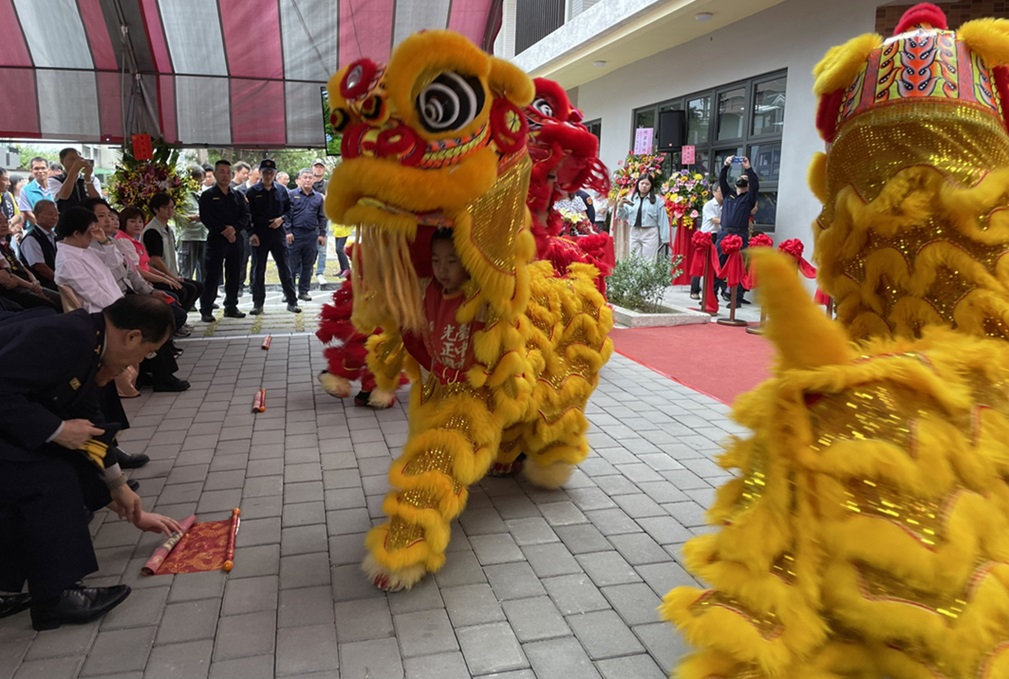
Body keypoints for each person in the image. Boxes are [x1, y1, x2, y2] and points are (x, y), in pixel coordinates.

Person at [0, 295, 182, 631]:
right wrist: (56, 430)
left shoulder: (89, 341)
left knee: (55, 467)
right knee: (51, 476)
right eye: (147, 353)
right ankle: (56, 597)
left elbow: (90, 425)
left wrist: (120, 489)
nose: (140, 362)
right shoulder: (66, 337)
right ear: (132, 337)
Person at [54, 207, 189, 392]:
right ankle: (161, 376)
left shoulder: (84, 250)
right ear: (76, 233)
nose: (95, 233)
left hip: (114, 304)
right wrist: (124, 308)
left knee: (158, 312)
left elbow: (115, 263)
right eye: (92, 230)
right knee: (151, 319)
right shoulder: (68, 260)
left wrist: (104, 241)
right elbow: (93, 293)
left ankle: (153, 372)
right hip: (99, 314)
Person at [245, 159, 301, 315]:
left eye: (271, 172)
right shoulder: (252, 192)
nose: (268, 175)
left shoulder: (282, 191)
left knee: (285, 268)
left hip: (278, 233)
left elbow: (290, 210)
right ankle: (258, 304)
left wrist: (281, 219)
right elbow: (245, 215)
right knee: (258, 269)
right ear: (260, 173)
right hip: (259, 234)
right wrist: (251, 233)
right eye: (265, 172)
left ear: (275, 173)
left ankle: (292, 301)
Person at [199, 160, 250, 321]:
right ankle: (206, 309)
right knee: (213, 275)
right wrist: (224, 231)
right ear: (214, 174)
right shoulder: (207, 196)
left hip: (236, 239)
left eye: (228, 172)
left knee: (234, 273)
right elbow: (206, 218)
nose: (225, 175)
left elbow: (245, 216)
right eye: (221, 171)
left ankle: (231, 306)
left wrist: (234, 229)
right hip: (216, 240)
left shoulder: (238, 195)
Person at [143, 193, 204, 312]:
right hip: (158, 276)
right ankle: (176, 321)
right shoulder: (152, 230)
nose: (170, 211)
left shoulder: (168, 228)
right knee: (186, 290)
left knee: (198, 286)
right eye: (166, 208)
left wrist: (175, 275)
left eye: (172, 207)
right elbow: (155, 260)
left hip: (170, 273)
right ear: (156, 209)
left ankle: (180, 318)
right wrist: (171, 277)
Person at [715, 156, 759, 304]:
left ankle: (736, 298)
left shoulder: (749, 198)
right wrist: (726, 165)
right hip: (724, 233)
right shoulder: (728, 194)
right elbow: (722, 179)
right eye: (740, 177)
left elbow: (755, 184)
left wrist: (748, 168)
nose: (742, 179)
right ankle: (713, 293)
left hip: (739, 234)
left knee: (739, 267)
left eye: (745, 178)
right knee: (718, 264)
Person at [0, 212, 60, 311]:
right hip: (16, 290)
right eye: (0, 222)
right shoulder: (31, 238)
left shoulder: (8, 246)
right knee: (51, 305)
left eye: (6, 222)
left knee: (62, 298)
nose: (4, 225)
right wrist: (32, 286)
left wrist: (34, 282)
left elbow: (22, 266)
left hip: (30, 284)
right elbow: (8, 273)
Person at [288, 168, 326, 301]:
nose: (308, 180)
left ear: (314, 180)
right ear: (299, 179)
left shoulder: (318, 197)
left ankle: (304, 291)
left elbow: (322, 217)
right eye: (305, 177)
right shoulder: (292, 194)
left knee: (307, 265)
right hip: (294, 235)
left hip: (311, 235)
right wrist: (288, 231)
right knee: (291, 265)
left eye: (310, 177)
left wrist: (322, 234)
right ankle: (289, 292)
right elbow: (287, 215)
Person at [617, 175, 670, 261]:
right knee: (634, 259)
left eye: (647, 184)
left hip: (650, 232)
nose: (644, 186)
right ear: (638, 184)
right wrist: (621, 206)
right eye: (642, 183)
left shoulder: (656, 200)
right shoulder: (630, 198)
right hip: (634, 231)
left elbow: (663, 220)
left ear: (651, 186)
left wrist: (665, 238)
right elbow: (622, 216)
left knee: (649, 261)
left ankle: (649, 275)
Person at [176, 166, 208, 282]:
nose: (200, 184)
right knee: (186, 272)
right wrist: (191, 218)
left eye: (202, 181)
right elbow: (174, 216)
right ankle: (187, 299)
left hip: (204, 236)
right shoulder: (181, 194)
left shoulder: (204, 193)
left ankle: (206, 298)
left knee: (205, 271)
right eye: (198, 181)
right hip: (188, 237)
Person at [691, 184, 723, 300]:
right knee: (700, 263)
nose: (722, 193)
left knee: (717, 263)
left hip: (719, 235)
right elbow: (715, 220)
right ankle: (694, 290)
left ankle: (717, 291)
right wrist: (729, 221)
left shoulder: (725, 205)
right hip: (706, 236)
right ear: (714, 192)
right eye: (720, 191)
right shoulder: (709, 205)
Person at [19, 199, 58, 290]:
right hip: (42, 285)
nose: (54, 218)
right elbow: (40, 268)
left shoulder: (55, 237)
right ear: (36, 215)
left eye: (56, 215)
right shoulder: (31, 239)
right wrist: (61, 281)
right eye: (50, 214)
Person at [17, 157, 52, 229]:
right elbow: (28, 213)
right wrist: (45, 230)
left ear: (48, 170)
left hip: (57, 233)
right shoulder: (25, 190)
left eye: (43, 168)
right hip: (35, 232)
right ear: (31, 171)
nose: (40, 171)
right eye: (36, 168)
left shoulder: (55, 188)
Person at [311, 160, 328, 286]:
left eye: (321, 167)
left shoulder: (328, 184)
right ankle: (304, 271)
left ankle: (320, 273)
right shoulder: (306, 182)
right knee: (306, 248)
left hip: (323, 220)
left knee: (322, 248)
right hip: (307, 220)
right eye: (316, 167)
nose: (318, 169)